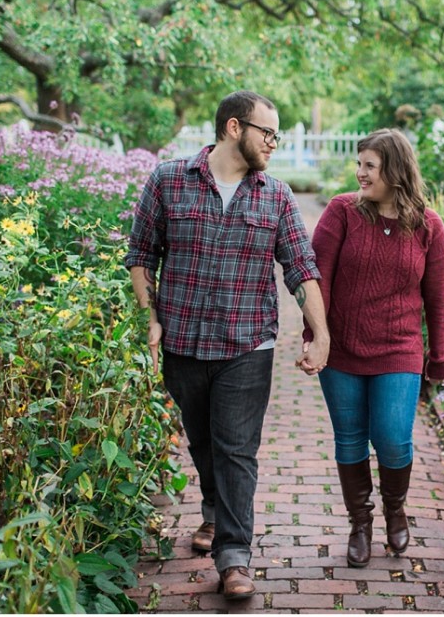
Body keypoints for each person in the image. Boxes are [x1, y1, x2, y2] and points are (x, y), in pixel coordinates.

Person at [125, 91, 330, 600]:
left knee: (237, 451)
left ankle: (234, 558)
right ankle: (214, 513)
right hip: (184, 341)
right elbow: (140, 254)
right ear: (235, 128)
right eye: (268, 133)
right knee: (204, 444)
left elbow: (301, 268)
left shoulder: (275, 195)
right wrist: (150, 316)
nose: (274, 144)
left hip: (248, 343)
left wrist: (320, 332)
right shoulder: (169, 180)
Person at [304, 128, 444, 568]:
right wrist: (315, 338)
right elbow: (318, 280)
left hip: (399, 349)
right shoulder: (342, 212)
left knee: (391, 438)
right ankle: (360, 523)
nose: (360, 173)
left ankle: (395, 508)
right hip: (343, 349)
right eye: (359, 164)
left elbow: (436, 300)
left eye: (370, 165)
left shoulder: (429, 227)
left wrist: (438, 358)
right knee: (349, 439)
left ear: (395, 169)